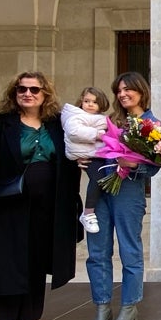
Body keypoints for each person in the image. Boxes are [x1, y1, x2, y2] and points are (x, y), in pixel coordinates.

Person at [0, 72, 82, 320]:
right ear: (14, 94)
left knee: (37, 259)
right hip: (8, 205)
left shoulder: (55, 126)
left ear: (44, 94)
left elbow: (71, 157)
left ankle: (31, 316)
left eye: (35, 89)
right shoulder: (2, 124)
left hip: (48, 204)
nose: (28, 94)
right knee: (8, 261)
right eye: (22, 89)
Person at [84, 71, 160, 320]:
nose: (123, 94)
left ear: (141, 91)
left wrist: (134, 165)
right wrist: (85, 158)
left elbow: (153, 169)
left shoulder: (152, 124)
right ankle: (102, 307)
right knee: (97, 251)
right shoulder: (110, 120)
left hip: (129, 192)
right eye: (119, 90)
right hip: (100, 190)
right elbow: (92, 146)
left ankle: (129, 307)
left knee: (129, 250)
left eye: (128, 89)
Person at [61, 86, 110, 234]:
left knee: (101, 178)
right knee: (98, 178)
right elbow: (74, 132)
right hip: (87, 156)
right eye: (86, 101)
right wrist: (99, 134)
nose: (89, 104)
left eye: (94, 102)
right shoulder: (76, 116)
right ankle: (88, 213)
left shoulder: (100, 119)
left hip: (96, 155)